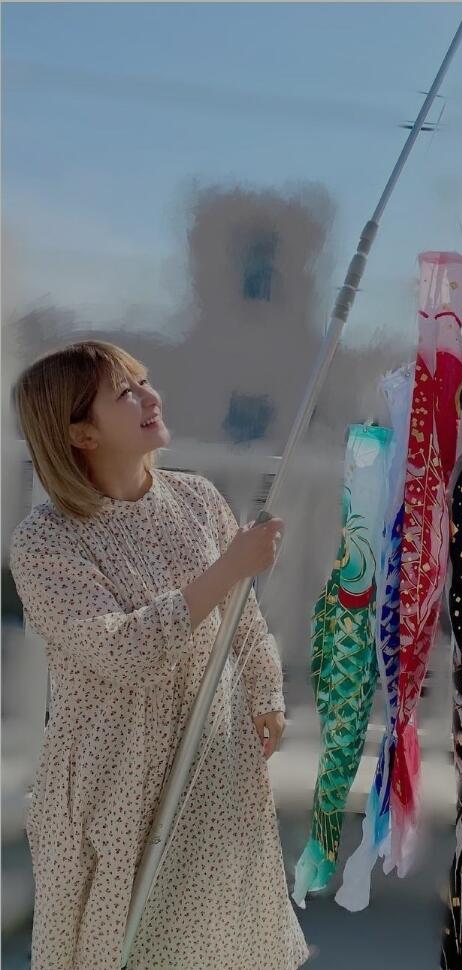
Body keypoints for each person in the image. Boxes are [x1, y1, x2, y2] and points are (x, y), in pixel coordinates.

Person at [9, 340, 309, 970]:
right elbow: (123, 651)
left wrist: (265, 691)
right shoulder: (44, 542)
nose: (151, 398)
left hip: (214, 760)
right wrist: (229, 567)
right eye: (126, 392)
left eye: (144, 382)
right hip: (115, 780)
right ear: (81, 433)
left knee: (216, 941)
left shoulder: (196, 499)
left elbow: (241, 617)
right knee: (118, 944)